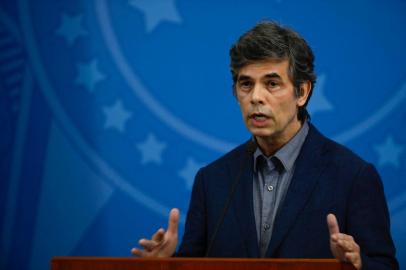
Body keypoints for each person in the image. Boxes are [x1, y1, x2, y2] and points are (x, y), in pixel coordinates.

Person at [131, 21, 398, 270]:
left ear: (302, 92)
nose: (256, 97)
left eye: (272, 83)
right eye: (246, 84)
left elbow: (384, 265)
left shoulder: (353, 177)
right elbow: (195, 265)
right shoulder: (212, 181)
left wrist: (358, 263)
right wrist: (164, 266)